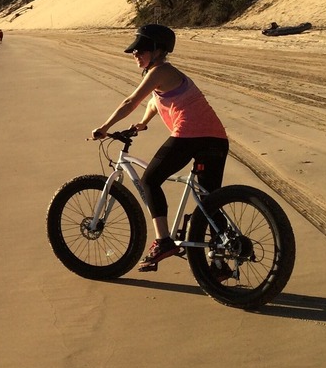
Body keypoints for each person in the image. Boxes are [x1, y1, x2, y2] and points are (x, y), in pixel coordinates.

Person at [90, 24, 229, 271]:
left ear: (158, 50)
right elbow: (155, 103)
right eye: (134, 50)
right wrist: (143, 123)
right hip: (216, 138)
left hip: (190, 134)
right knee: (209, 200)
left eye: (140, 49)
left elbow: (131, 101)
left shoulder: (160, 70)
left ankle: (164, 241)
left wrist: (104, 126)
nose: (135, 54)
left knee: (150, 181)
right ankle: (221, 258)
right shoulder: (163, 76)